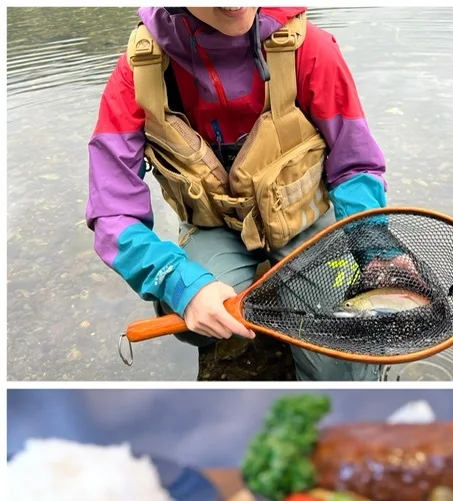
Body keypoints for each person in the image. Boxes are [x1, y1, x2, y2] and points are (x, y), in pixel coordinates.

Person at [87, 6, 389, 381]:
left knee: (341, 352)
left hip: (304, 219)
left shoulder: (311, 49)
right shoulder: (138, 71)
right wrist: (178, 282)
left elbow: (355, 165)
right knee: (191, 322)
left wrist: (377, 250)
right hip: (216, 226)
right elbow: (113, 214)